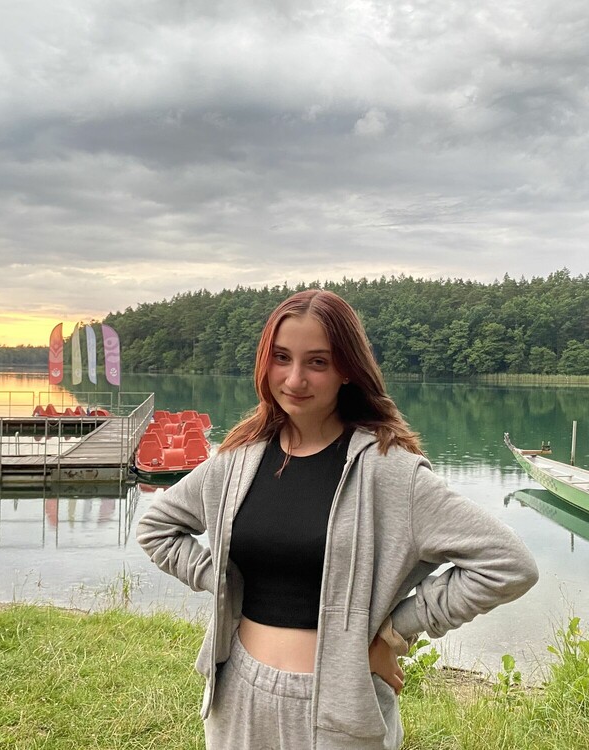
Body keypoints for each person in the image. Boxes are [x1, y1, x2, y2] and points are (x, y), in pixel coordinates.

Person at [137, 289, 538, 750]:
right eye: (281, 358)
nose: (295, 378)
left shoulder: (391, 472)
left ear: (347, 369)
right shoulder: (237, 461)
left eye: (318, 362)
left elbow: (508, 564)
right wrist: (225, 581)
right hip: (238, 696)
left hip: (339, 708)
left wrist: (394, 631)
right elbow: (157, 528)